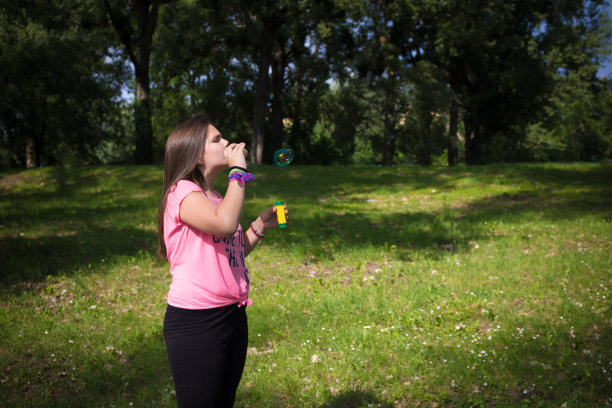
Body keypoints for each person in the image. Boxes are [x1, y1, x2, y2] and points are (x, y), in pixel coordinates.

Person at [157, 112, 288, 407]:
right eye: (217, 139)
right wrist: (238, 170)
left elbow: (232, 247)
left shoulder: (215, 196)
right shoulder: (182, 192)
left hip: (232, 316)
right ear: (196, 156)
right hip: (197, 322)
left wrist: (260, 225)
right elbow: (226, 222)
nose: (227, 141)